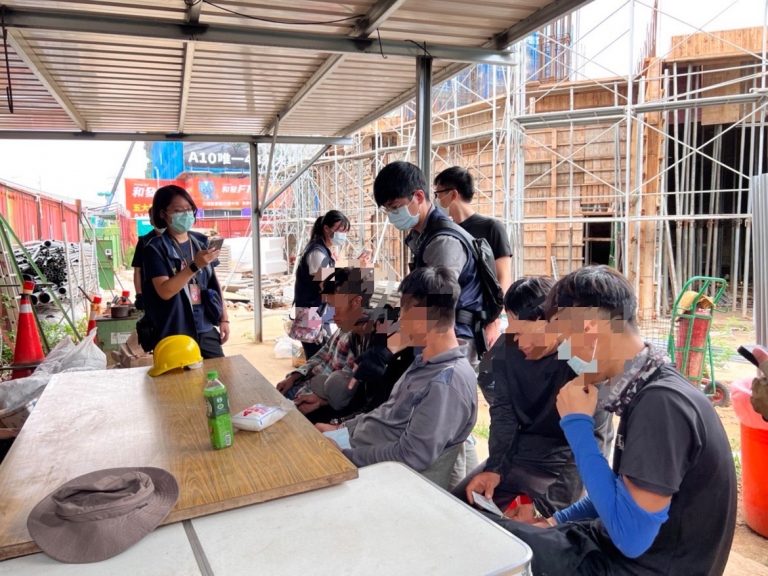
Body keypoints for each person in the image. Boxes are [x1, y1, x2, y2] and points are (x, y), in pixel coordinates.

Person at [493, 266, 736, 576]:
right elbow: (622, 493)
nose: (565, 352)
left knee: (498, 550)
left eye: (565, 338)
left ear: (589, 330)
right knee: (503, 535)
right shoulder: (648, 387)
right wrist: (555, 521)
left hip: (645, 565)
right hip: (619, 547)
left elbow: (631, 538)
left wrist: (577, 426)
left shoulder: (661, 405)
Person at [454, 277, 613, 521]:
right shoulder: (506, 351)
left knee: (527, 533)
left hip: (565, 463)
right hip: (520, 454)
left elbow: (591, 444)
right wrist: (495, 468)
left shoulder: (583, 359)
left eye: (521, 332)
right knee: (458, 506)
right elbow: (504, 414)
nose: (516, 341)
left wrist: (546, 511)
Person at [316, 266, 477, 475]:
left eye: (402, 311)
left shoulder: (445, 383)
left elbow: (411, 456)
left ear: (418, 316)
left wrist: (345, 454)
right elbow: (386, 414)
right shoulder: (425, 362)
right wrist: (342, 429)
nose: (399, 321)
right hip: (357, 444)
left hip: (371, 468)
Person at [373, 161, 489, 365]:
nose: (391, 215)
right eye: (387, 210)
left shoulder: (443, 242)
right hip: (432, 338)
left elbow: (434, 305)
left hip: (452, 343)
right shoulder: (423, 236)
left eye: (395, 207)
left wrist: (388, 350)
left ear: (418, 197)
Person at [276, 267, 414, 423]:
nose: (332, 315)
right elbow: (357, 392)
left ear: (356, 302)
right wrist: (300, 381)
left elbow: (373, 405)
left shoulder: (380, 347)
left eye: (336, 308)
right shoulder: (354, 334)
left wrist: (338, 424)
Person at [142, 185, 229, 358]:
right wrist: (194, 266)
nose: (186, 214)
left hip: (205, 326)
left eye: (189, 209)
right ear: (163, 214)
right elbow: (165, 291)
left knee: (217, 371)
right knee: (180, 375)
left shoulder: (201, 242)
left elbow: (213, 282)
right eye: (178, 210)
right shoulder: (155, 248)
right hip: (175, 329)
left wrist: (224, 318)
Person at [434, 166, 512, 295]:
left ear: (453, 194)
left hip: (484, 306)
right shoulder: (446, 232)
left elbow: (504, 277)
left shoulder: (492, 227)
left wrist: (499, 307)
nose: (436, 200)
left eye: (438, 194)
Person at [292, 210, 350, 360]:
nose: (343, 235)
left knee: (320, 355)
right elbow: (328, 285)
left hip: (315, 311)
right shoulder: (317, 253)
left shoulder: (323, 250)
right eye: (340, 230)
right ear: (326, 228)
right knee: (317, 357)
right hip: (311, 312)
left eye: (345, 231)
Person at [131, 207, 164, 311]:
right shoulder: (144, 241)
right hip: (150, 292)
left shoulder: (175, 239)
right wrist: (139, 295)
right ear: (151, 221)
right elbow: (137, 270)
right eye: (154, 217)